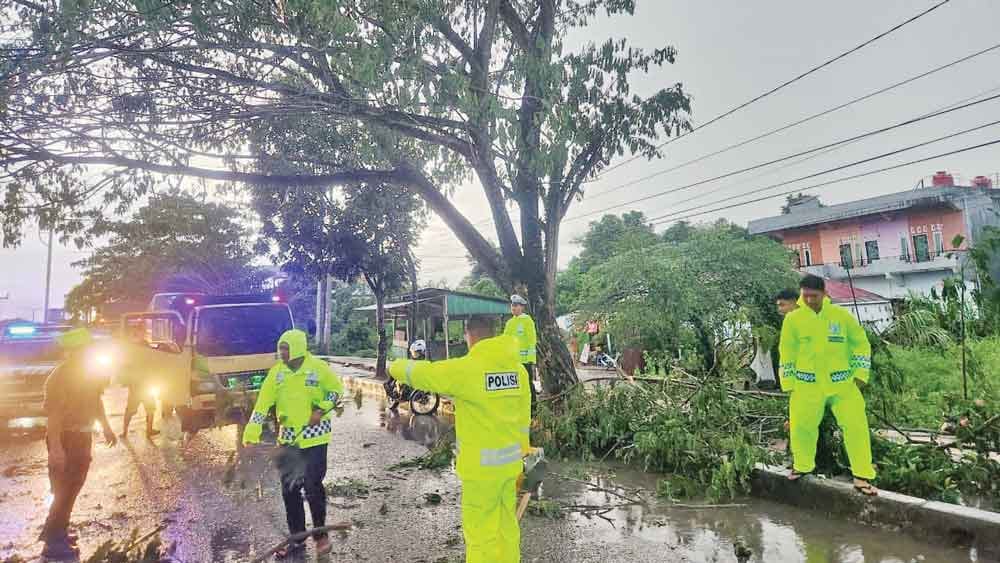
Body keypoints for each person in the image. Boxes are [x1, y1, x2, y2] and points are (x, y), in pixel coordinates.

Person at [388, 316, 531, 563]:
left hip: (481, 471)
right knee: (507, 528)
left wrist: (395, 367)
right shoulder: (518, 371)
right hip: (510, 467)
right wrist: (523, 456)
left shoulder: (468, 369)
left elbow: (425, 373)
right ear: (493, 334)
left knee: (480, 535)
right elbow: (523, 419)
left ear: (469, 335)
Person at [242, 329, 345, 558]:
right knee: (289, 490)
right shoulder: (277, 374)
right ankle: (296, 539)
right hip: (288, 440)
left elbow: (336, 392)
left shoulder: (318, 368)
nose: (282, 353)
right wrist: (251, 432)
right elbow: (262, 405)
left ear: (297, 347)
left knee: (312, 486)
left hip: (316, 438)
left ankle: (321, 536)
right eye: (281, 348)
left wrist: (320, 410)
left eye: (286, 348)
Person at [779, 275, 878, 496]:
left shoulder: (841, 317)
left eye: (814, 296)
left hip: (842, 383)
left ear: (824, 293)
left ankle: (862, 475)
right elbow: (787, 352)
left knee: (856, 427)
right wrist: (789, 383)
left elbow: (860, 344)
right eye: (805, 296)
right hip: (806, 384)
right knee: (801, 426)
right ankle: (802, 466)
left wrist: (860, 375)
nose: (810, 300)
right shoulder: (793, 320)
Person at [40, 328, 117, 560]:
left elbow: (96, 401)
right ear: (74, 351)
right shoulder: (60, 376)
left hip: (82, 436)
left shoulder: (87, 374)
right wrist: (56, 448)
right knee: (63, 489)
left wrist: (106, 427)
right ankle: (52, 539)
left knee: (73, 486)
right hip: (65, 438)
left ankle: (60, 530)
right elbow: (53, 415)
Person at [120, 323, 158, 440]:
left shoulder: (142, 345)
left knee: (149, 408)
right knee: (132, 409)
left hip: (144, 383)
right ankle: (125, 431)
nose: (138, 333)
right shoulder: (133, 347)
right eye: (136, 331)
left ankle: (148, 430)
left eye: (140, 331)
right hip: (138, 384)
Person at [504, 294, 538, 408]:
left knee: (527, 384)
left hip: (525, 361)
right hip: (513, 361)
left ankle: (533, 408)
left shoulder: (527, 321)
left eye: (516, 305)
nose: (513, 307)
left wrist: (531, 360)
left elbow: (531, 340)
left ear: (522, 307)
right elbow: (505, 341)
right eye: (512, 305)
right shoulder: (509, 323)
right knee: (514, 385)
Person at [387, 340, 428, 411]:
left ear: (422, 352)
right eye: (413, 353)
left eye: (416, 353)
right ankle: (394, 390)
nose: (414, 354)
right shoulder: (413, 360)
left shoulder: (423, 361)